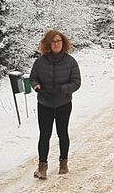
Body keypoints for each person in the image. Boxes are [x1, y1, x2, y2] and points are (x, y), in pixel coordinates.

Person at [29, 29, 81, 179]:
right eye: (53, 41)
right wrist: (36, 85)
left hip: (63, 102)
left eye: (59, 41)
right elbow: (33, 78)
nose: (56, 44)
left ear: (63, 43)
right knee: (44, 135)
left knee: (62, 133)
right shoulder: (40, 62)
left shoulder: (70, 61)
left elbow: (76, 82)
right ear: (48, 44)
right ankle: (42, 167)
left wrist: (62, 89)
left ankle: (63, 164)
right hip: (44, 102)